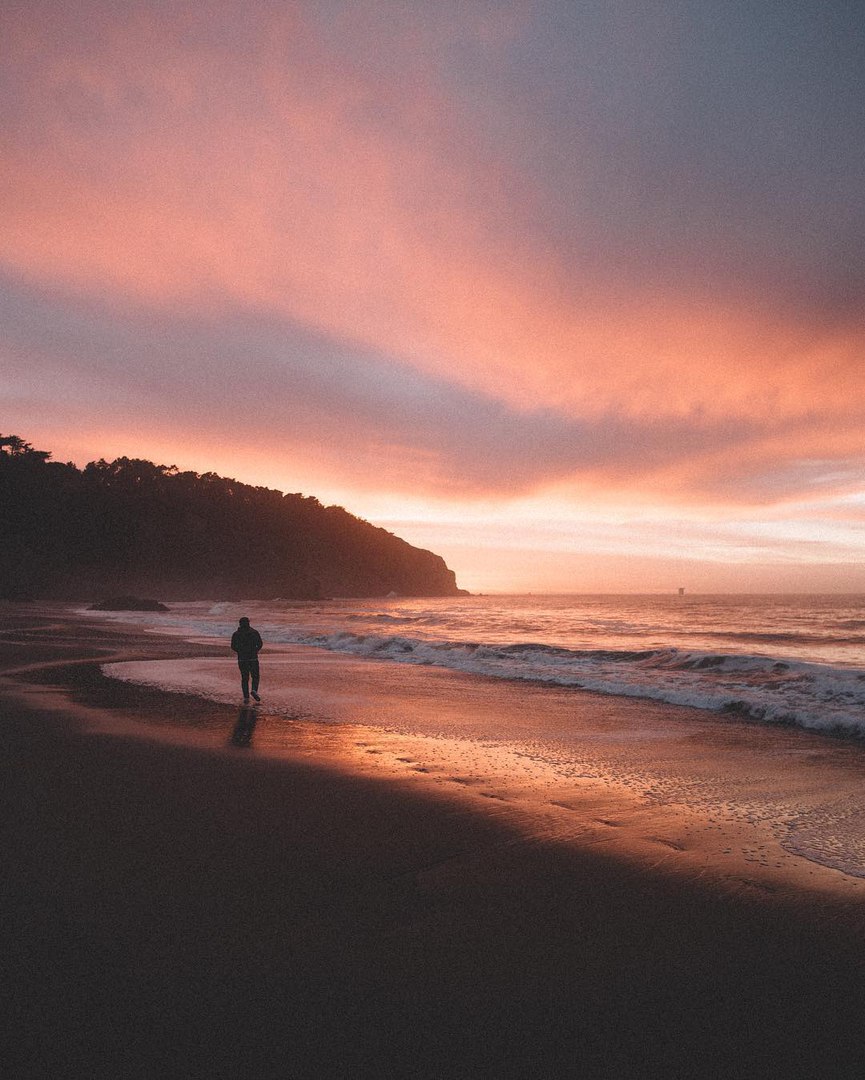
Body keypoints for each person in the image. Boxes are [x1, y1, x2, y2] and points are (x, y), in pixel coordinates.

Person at [230, 616, 263, 703]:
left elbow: (233, 646)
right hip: (253, 658)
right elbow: (260, 643)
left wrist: (240, 651)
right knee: (255, 676)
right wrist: (255, 650)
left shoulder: (236, 634)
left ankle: (246, 697)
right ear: (248, 623)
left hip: (242, 659)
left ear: (240, 624)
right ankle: (254, 690)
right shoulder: (254, 632)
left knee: (244, 677)